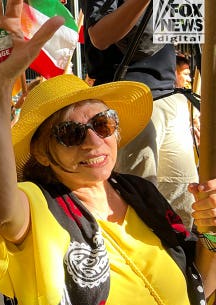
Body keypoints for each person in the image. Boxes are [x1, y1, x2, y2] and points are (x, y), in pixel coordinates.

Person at [0, 1, 216, 305]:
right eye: (70, 133)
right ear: (41, 152)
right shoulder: (39, 205)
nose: (93, 141)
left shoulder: (142, 194)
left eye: (103, 123)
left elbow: (198, 288)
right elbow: (0, 206)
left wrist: (211, 231)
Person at [84, 0, 198, 229]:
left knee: (184, 203)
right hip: (129, 99)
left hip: (170, 95)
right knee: (139, 205)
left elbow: (191, 29)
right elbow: (100, 36)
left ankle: (182, 260)